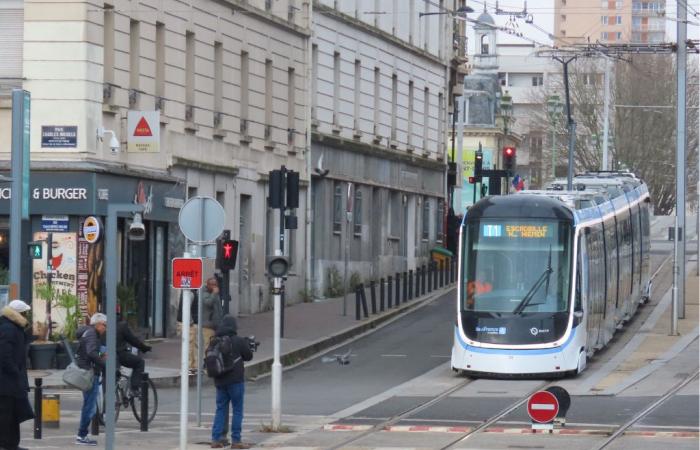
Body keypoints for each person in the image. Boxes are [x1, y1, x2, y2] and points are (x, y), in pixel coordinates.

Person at [210, 315, 253, 449]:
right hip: (235, 381)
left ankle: (216, 439)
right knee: (237, 410)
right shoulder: (238, 341)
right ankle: (236, 440)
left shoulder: (214, 341)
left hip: (220, 381)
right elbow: (248, 356)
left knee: (220, 409)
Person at [0, 300, 34, 450]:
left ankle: (11, 443)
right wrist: (15, 372)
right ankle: (7, 443)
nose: (27, 316)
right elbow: (4, 355)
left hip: (11, 380)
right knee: (7, 414)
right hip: (7, 381)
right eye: (25, 313)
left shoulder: (13, 327)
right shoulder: (9, 328)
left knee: (13, 413)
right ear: (19, 314)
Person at [75, 313, 107, 446]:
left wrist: (101, 353)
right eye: (104, 325)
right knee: (90, 406)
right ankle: (82, 435)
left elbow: (89, 351)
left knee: (89, 404)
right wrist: (104, 362)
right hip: (90, 372)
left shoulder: (87, 333)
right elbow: (91, 352)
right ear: (98, 324)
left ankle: (82, 434)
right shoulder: (92, 334)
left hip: (86, 370)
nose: (105, 328)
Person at [190, 277, 223, 375]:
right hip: (207, 325)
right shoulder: (203, 293)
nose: (214, 287)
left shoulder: (213, 293)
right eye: (212, 285)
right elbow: (208, 303)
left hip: (215, 324)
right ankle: (207, 365)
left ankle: (210, 363)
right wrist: (214, 293)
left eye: (215, 285)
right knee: (208, 346)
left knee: (213, 345)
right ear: (207, 285)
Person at [115, 314, 151, 396]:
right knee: (140, 363)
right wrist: (144, 348)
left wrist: (100, 354)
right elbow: (133, 340)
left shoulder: (102, 327)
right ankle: (134, 389)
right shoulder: (122, 326)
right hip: (120, 355)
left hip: (105, 356)